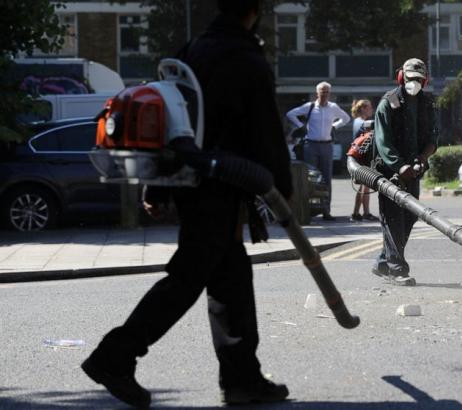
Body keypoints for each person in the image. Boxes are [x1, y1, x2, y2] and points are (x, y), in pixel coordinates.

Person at [80, 0, 293, 407]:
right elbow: (266, 131)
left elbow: (169, 120)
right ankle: (115, 356)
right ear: (254, 11)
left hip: (191, 180)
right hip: (221, 185)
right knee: (189, 276)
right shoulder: (247, 59)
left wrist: (158, 186)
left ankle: (242, 378)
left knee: (230, 279)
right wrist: (282, 188)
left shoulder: (190, 51)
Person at [372, 58, 438, 286]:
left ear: (425, 81)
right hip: (390, 172)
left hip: (414, 172)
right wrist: (400, 166)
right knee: (392, 220)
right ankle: (397, 270)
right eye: (411, 79)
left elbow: (432, 138)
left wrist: (422, 158)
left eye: (419, 79)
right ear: (402, 77)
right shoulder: (388, 103)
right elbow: (383, 141)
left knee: (409, 217)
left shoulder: (426, 104)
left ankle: (383, 262)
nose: (415, 83)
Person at [286, 82, 350, 221]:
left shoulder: (333, 107)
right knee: (310, 178)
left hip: (327, 146)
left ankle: (326, 211)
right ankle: (308, 210)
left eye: (327, 91)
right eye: (322, 91)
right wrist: (301, 126)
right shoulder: (310, 107)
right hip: (311, 145)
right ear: (317, 93)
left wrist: (334, 126)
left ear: (330, 93)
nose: (324, 94)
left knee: (326, 179)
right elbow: (290, 114)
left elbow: (346, 118)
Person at [349, 99, 378, 222]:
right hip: (362, 157)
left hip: (359, 156)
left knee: (363, 187)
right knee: (365, 187)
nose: (372, 109)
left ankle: (358, 213)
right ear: (363, 109)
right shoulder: (362, 123)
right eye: (370, 107)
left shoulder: (358, 121)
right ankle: (363, 213)